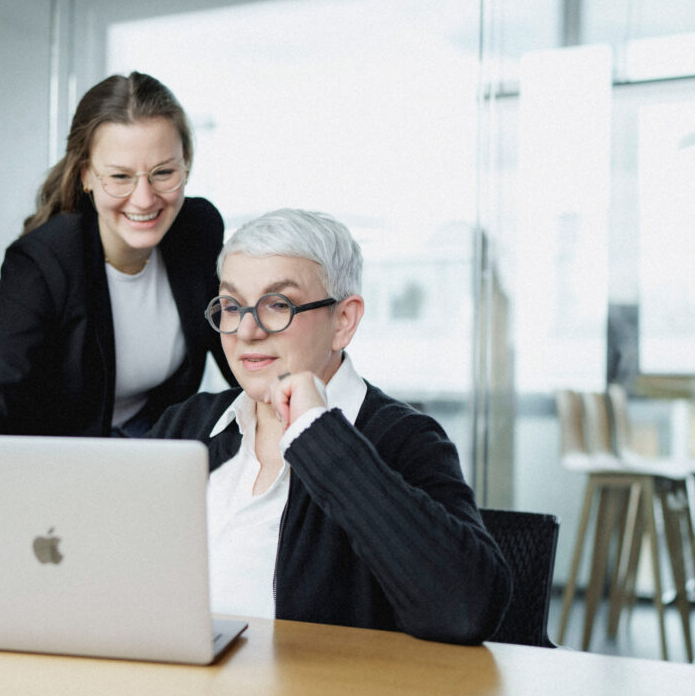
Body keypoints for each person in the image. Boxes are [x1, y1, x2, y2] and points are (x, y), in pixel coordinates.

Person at [148, 208, 511, 644]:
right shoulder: (190, 423)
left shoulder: (401, 438)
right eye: (230, 305)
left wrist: (319, 435)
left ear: (343, 321)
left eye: (278, 305)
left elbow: (465, 609)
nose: (246, 330)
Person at [0, 71, 232, 437]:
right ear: (86, 176)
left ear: (186, 163)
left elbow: (243, 351)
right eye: (120, 176)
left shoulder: (198, 230)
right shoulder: (44, 261)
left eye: (163, 172)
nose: (144, 199)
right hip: (60, 460)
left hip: (156, 448)